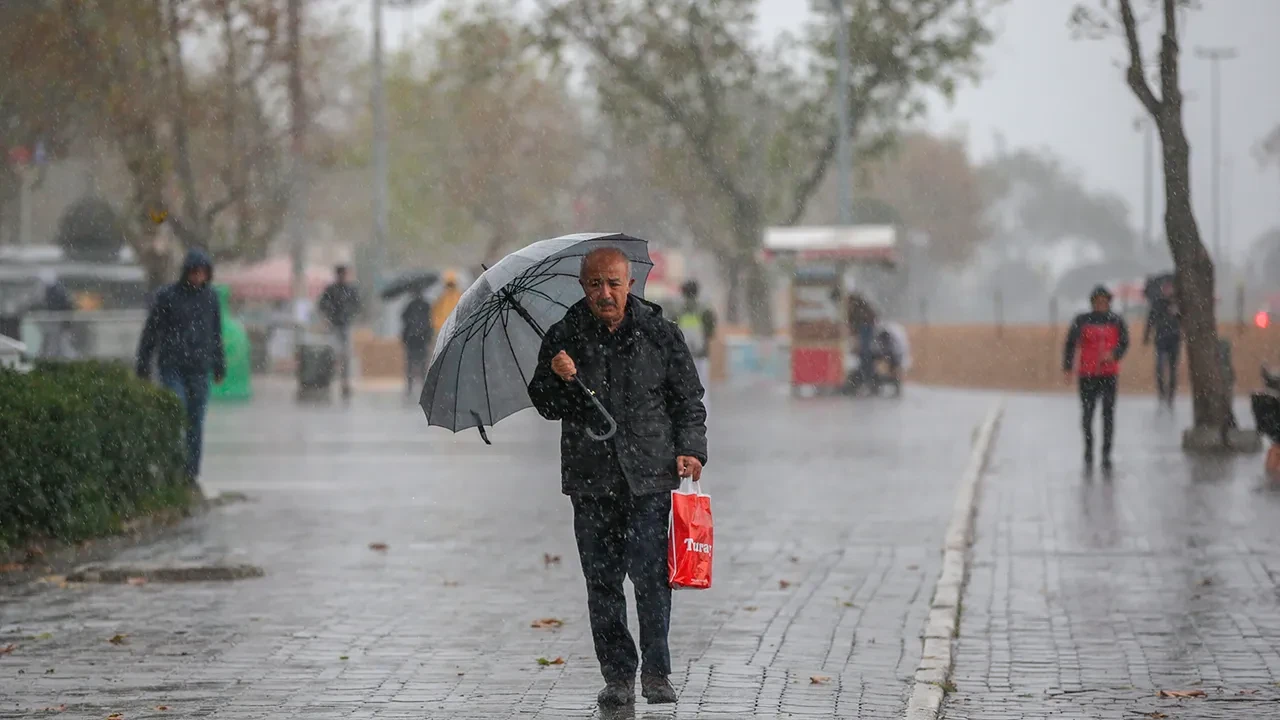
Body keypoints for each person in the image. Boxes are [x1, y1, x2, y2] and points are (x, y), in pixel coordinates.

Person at [528, 247, 708, 709]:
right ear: (583, 286)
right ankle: (618, 675)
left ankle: (656, 671)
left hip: (650, 477)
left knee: (651, 579)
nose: (604, 293)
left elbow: (688, 399)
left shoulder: (661, 335)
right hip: (591, 482)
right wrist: (558, 378)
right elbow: (546, 405)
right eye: (594, 285)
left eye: (613, 283)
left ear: (630, 284)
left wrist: (691, 448)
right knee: (602, 582)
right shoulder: (563, 336)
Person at [136, 249, 225, 487]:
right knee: (177, 411)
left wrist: (219, 365)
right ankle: (172, 467)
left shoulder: (211, 298)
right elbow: (151, 332)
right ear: (187, 272)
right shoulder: (167, 297)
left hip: (198, 368)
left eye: (203, 273)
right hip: (172, 365)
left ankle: (190, 473)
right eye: (195, 272)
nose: (198, 277)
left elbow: (216, 333)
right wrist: (143, 364)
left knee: (196, 421)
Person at [1063, 285, 1130, 471]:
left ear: (1109, 302)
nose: (1101, 304)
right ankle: (1088, 450)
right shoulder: (1082, 320)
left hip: (1109, 375)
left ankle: (1106, 453)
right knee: (1087, 415)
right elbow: (1070, 344)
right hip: (1087, 375)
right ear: (1092, 302)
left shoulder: (1116, 320)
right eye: (1097, 301)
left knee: (1108, 415)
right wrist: (1068, 367)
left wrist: (1114, 354)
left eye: (1104, 301)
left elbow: (1124, 342)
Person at [317, 265, 361, 399]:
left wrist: (349, 313)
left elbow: (357, 305)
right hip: (334, 327)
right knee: (333, 355)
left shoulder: (350, 290)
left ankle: (345, 383)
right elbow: (322, 304)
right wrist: (330, 313)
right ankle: (330, 381)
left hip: (345, 326)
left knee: (345, 356)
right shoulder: (331, 290)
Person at [671, 279, 716, 406]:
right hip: (701, 355)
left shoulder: (678, 310)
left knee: (682, 387)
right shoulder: (705, 309)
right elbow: (711, 331)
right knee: (703, 387)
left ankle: (686, 418)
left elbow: (671, 331)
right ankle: (703, 419)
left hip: (682, 356)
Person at [1144, 277, 1181, 407]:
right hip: (1160, 339)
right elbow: (1150, 320)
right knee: (1159, 367)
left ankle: (1171, 396)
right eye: (1166, 288)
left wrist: (1177, 313)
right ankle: (1161, 394)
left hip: (1175, 339)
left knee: (1173, 369)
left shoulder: (1178, 303)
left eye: (1170, 287)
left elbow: (1184, 320)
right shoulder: (1157, 303)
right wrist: (1146, 336)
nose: (1168, 290)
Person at [400, 290, 433, 400]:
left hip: (411, 339)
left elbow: (403, 318)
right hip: (422, 338)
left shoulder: (409, 305)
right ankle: (423, 385)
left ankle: (410, 386)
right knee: (423, 363)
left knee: (410, 363)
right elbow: (430, 320)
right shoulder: (426, 305)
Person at [846, 290, 878, 389]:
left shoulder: (858, 309)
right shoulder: (862, 307)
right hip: (866, 328)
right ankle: (868, 377)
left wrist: (853, 329)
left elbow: (855, 321)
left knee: (864, 352)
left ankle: (867, 378)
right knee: (865, 353)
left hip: (865, 328)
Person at [431, 270, 462, 337]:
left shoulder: (441, 296)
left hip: (448, 328)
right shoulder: (441, 296)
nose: (450, 287)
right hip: (446, 327)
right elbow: (435, 312)